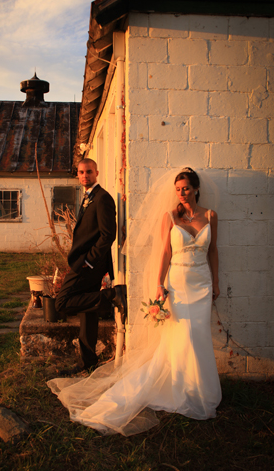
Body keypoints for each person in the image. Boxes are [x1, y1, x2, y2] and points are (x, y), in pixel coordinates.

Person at [47, 167, 222, 435]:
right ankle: (180, 386)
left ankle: (199, 390)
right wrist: (159, 284)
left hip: (202, 283)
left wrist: (217, 283)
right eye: (178, 189)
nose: (182, 193)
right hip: (178, 282)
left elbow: (213, 251)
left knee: (198, 335)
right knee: (182, 334)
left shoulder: (211, 216)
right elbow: (165, 251)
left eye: (186, 188)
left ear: (196, 189)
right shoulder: (171, 218)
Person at [55, 158, 127, 375]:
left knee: (62, 302)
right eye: (81, 172)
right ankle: (88, 363)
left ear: (97, 172)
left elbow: (108, 235)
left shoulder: (103, 198)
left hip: (89, 264)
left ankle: (112, 295)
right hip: (85, 262)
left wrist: (89, 261)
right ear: (77, 174)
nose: (84, 176)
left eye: (88, 172)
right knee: (88, 312)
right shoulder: (89, 197)